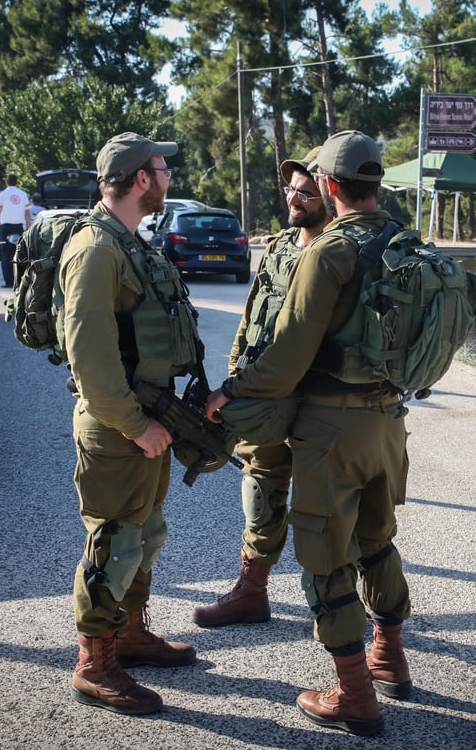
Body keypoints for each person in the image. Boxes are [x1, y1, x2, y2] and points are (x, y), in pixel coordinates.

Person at [204, 131, 410, 737]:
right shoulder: (402, 240)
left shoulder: (330, 251)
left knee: (324, 555)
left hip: (330, 424)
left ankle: (354, 696)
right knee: (377, 539)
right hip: (388, 421)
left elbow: (288, 354)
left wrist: (231, 393)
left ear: (329, 185)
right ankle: (389, 654)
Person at [60, 131, 199, 716]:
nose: (168, 176)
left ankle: (131, 633)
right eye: (162, 168)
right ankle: (95, 663)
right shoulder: (96, 249)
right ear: (141, 179)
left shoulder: (130, 242)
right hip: (120, 425)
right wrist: (135, 427)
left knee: (145, 535)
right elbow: (88, 357)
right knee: (115, 540)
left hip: (148, 417)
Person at [191, 146, 326, 629]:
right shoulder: (281, 247)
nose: (294, 198)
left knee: (325, 508)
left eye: (306, 192)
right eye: (291, 189)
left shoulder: (338, 250)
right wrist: (234, 386)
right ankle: (252, 591)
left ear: (330, 193)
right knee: (261, 487)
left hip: (321, 401)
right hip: (266, 396)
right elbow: (250, 324)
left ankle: (334, 611)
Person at [0, 174, 30, 288]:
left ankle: (9, 281)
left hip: (6, 227)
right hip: (19, 227)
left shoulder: (1, 195)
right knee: (19, 253)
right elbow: (27, 212)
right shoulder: (23, 194)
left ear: (6, 182)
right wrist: (28, 226)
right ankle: (19, 281)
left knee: (6, 255)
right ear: (16, 182)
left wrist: (1, 223)